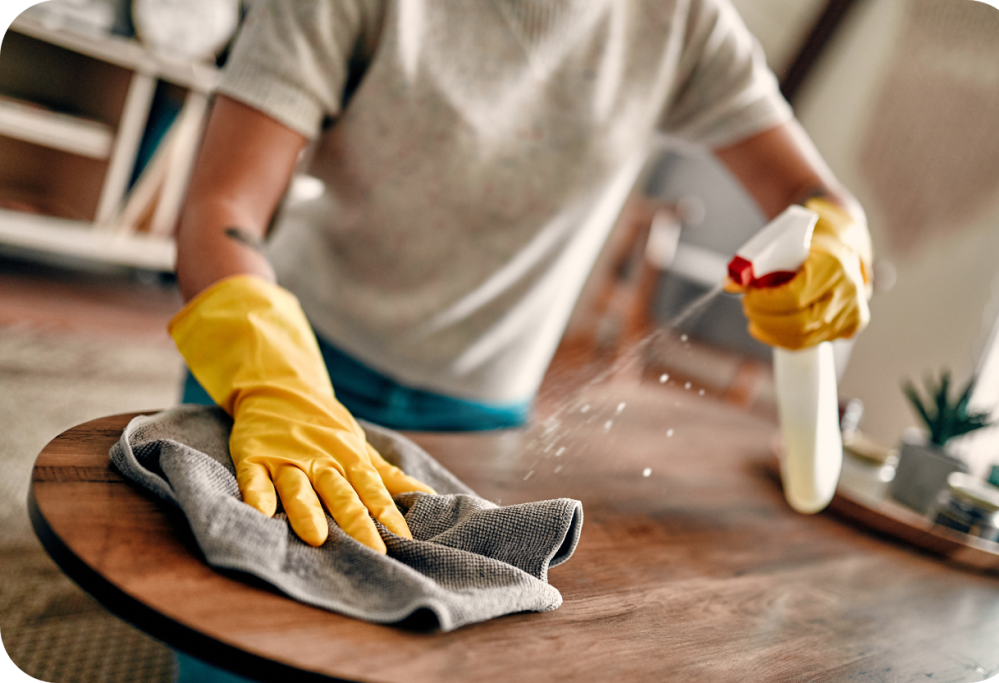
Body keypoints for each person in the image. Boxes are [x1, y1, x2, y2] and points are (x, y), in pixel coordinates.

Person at [172, 0, 872, 556]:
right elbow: (222, 205)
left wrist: (840, 238)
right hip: (278, 373)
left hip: (480, 421)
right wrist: (277, 382)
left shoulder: (682, 18)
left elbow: (816, 193)